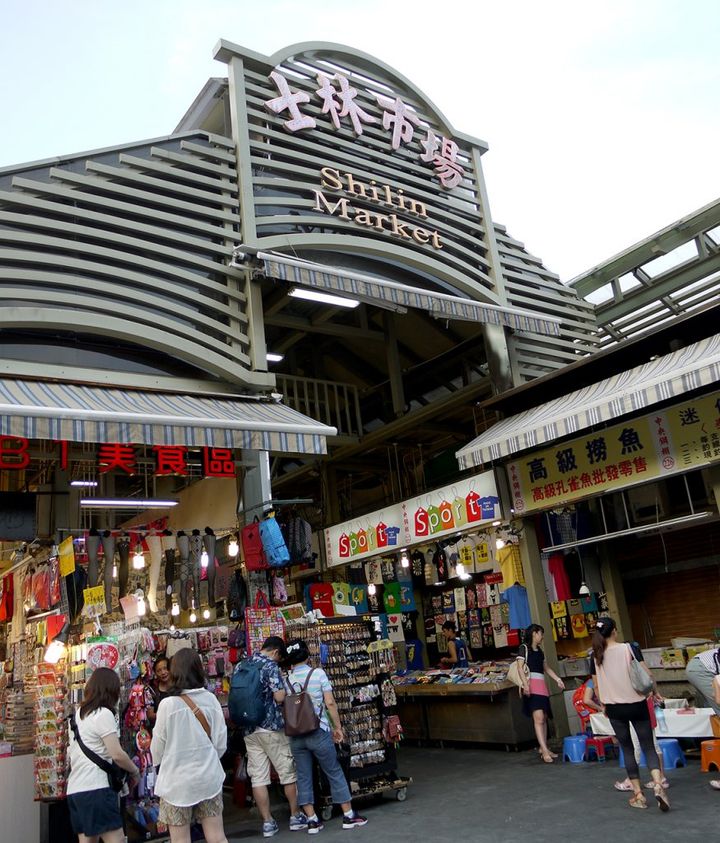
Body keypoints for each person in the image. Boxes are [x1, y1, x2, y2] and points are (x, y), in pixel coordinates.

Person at [284, 639, 367, 833]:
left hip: (296, 735)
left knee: (303, 776)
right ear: (306, 655)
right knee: (333, 770)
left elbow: (280, 700)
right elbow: (329, 703)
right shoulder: (318, 674)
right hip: (318, 731)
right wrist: (337, 727)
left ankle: (312, 819)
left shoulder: (286, 680)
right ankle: (348, 815)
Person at [151, 648, 229, 843]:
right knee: (217, 837)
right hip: (208, 777)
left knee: (180, 840)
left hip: (176, 782)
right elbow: (220, 744)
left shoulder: (167, 705)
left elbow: (157, 748)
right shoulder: (211, 700)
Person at [591, 616, 669, 812]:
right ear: (615, 631)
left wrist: (604, 706)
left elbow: (597, 686)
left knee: (627, 749)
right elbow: (647, 675)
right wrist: (655, 691)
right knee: (648, 747)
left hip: (614, 708)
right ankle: (658, 784)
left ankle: (638, 795)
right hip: (637, 704)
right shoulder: (629, 648)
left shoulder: (596, 655)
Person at [67, 667, 140, 843]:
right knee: (117, 839)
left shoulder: (77, 716)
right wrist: (135, 771)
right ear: (111, 690)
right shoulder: (103, 714)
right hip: (97, 789)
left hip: (76, 790)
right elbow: (117, 754)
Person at [243, 636, 307, 837]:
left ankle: (268, 822)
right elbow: (279, 697)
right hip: (271, 727)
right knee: (287, 772)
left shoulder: (243, 664)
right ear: (277, 652)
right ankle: (296, 816)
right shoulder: (270, 666)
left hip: (249, 729)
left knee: (258, 777)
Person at [517, 624, 564, 763]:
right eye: (540, 633)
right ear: (534, 633)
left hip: (541, 686)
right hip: (531, 686)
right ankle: (544, 750)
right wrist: (525, 684)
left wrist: (557, 679)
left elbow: (546, 668)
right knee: (538, 718)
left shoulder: (540, 651)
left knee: (543, 717)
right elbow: (520, 668)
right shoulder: (524, 648)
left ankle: (544, 747)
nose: (542, 637)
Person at [686, 645, 720, 714]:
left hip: (702, 666)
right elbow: (717, 698)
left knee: (708, 705)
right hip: (701, 668)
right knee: (717, 703)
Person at [147, 656, 172, 724]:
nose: (163, 672)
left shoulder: (178, 687)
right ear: (155, 673)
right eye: (159, 670)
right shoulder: (152, 691)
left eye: (165, 668)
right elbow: (150, 715)